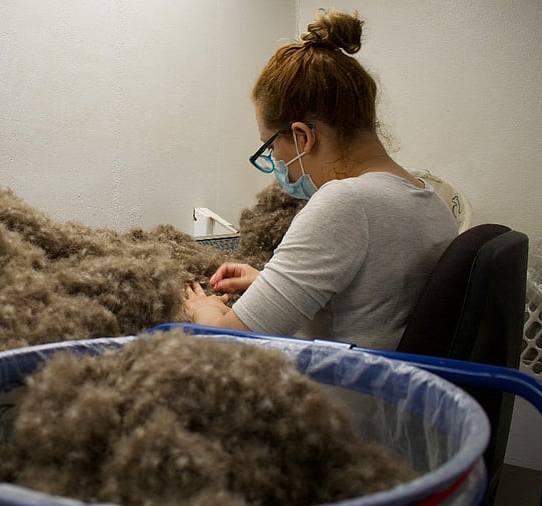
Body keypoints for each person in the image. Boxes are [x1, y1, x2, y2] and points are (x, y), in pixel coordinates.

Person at [184, 9, 457, 350]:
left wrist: (206, 311)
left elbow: (227, 344)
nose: (277, 164)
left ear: (302, 137)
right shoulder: (429, 199)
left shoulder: (346, 203)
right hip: (403, 396)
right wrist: (269, 285)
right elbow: (375, 302)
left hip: (336, 399)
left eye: (270, 146)